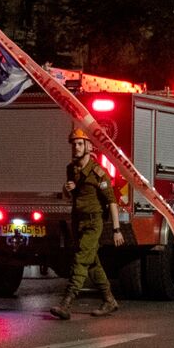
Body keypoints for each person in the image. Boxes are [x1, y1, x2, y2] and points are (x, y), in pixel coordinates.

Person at [49, 129, 125, 319]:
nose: (76, 147)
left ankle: (66, 303)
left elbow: (112, 201)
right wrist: (68, 189)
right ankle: (109, 300)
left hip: (93, 222)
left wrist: (117, 230)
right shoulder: (71, 169)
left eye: (80, 144)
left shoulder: (99, 173)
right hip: (77, 222)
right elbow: (71, 195)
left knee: (80, 260)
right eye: (74, 144)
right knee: (92, 262)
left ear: (89, 147)